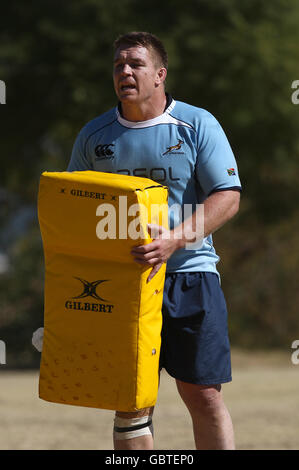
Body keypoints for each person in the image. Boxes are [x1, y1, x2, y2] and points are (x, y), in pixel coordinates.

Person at [61, 31, 241, 450]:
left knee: (203, 394)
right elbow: (72, 203)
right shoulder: (94, 135)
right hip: (123, 287)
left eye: (135, 64)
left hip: (190, 277)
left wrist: (176, 240)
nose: (124, 71)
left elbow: (228, 196)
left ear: (159, 74)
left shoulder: (197, 124)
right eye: (118, 65)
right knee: (130, 401)